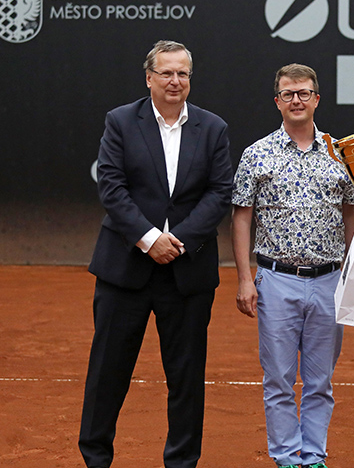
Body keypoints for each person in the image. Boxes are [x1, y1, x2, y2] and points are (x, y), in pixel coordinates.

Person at [79, 40, 233, 468]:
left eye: (182, 73)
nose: (175, 81)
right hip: (125, 269)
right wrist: (149, 239)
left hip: (187, 272)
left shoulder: (213, 127)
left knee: (186, 378)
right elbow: (111, 186)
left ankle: (181, 462)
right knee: (107, 373)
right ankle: (95, 459)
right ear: (149, 78)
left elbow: (220, 193)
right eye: (166, 73)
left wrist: (176, 239)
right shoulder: (120, 121)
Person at [231, 64, 354, 468]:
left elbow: (351, 214)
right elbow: (241, 218)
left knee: (320, 381)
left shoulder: (339, 153)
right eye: (288, 94)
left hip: (328, 281)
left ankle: (315, 456)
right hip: (276, 280)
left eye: (304, 93)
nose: (296, 100)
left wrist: (352, 276)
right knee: (279, 380)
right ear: (277, 101)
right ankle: (288, 458)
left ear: (316, 99)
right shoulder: (257, 154)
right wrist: (245, 279)